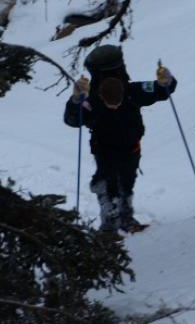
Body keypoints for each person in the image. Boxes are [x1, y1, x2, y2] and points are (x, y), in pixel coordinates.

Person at [64, 45, 176, 233]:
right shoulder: (90, 101)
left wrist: (167, 81)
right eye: (110, 104)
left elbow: (160, 91)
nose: (114, 107)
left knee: (128, 182)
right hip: (104, 149)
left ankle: (126, 219)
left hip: (132, 147)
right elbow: (72, 119)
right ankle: (108, 225)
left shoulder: (133, 91)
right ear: (101, 96)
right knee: (108, 185)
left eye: (118, 103)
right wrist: (75, 100)